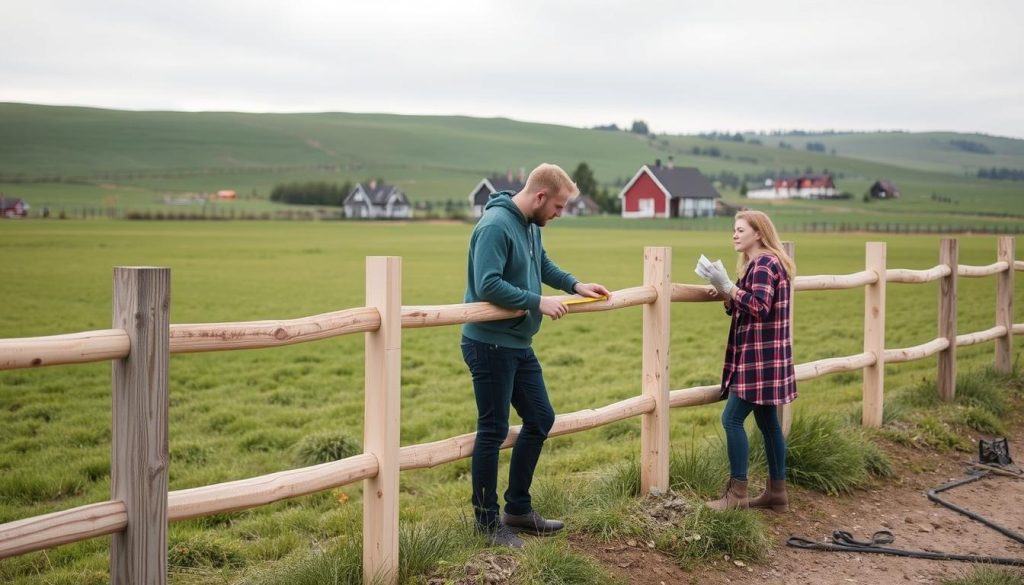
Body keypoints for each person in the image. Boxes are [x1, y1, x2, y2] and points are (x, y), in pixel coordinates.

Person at [461, 163, 611, 547]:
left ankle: (518, 509)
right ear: (540, 196)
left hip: (517, 342)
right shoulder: (496, 225)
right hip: (489, 343)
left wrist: (574, 284)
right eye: (559, 207)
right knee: (493, 431)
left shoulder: (528, 224)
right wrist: (538, 301)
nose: (560, 214)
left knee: (541, 417)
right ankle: (486, 523)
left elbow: (539, 264)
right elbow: (487, 283)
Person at [703, 210, 797, 513]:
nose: (734, 234)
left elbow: (758, 306)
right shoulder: (764, 263)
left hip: (758, 358)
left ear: (758, 233)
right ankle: (776, 493)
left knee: (731, 419)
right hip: (769, 356)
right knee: (768, 422)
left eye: (741, 229)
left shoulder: (764, 263)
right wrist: (727, 291)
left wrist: (730, 288)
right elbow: (747, 304)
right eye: (734, 229)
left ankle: (737, 495)